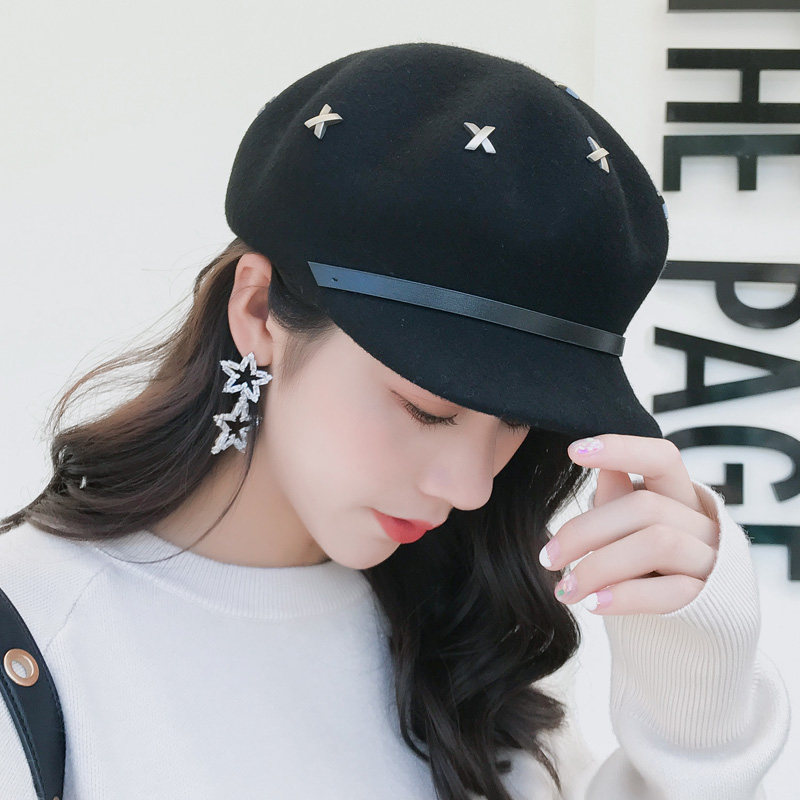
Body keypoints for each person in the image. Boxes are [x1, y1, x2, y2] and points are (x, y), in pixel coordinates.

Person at [0, 42, 790, 800]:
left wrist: (698, 716)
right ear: (257, 311)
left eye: (517, 424)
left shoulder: (473, 646)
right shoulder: (38, 636)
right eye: (428, 408)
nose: (472, 488)